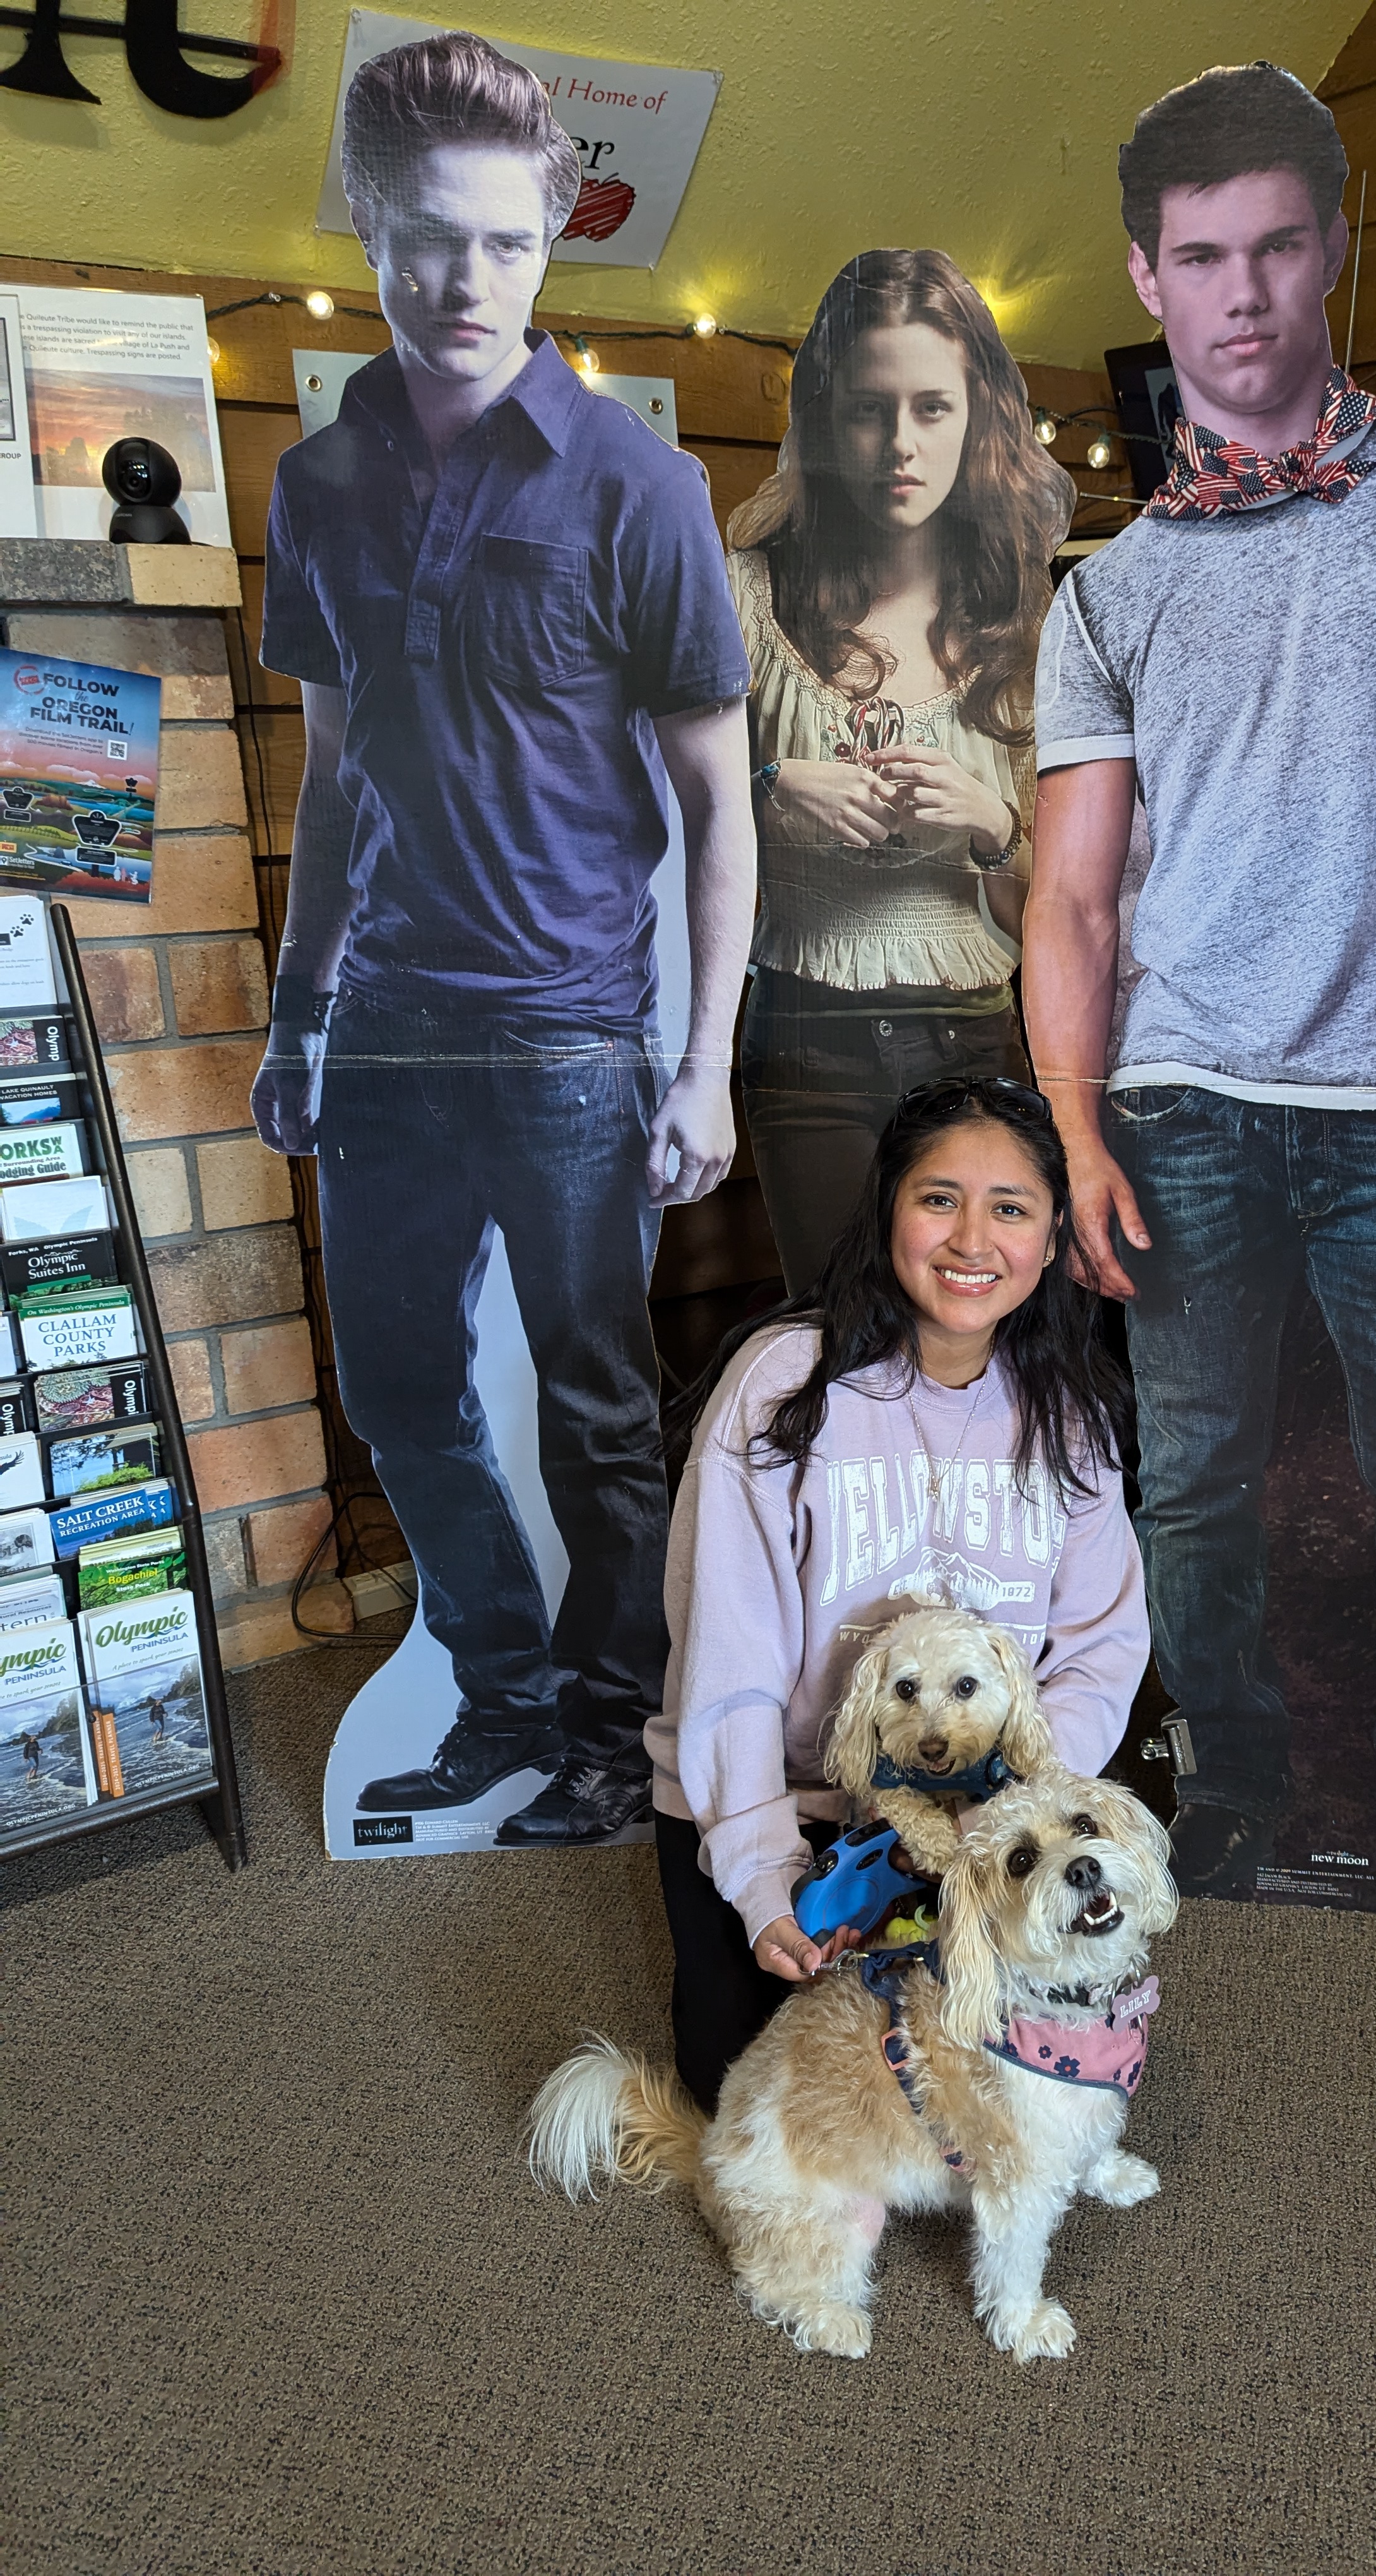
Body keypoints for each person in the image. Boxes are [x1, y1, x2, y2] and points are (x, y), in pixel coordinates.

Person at [1023, 64, 1376, 1905]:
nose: (1247, 291)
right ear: (1149, 277)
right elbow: (1073, 901)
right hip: (1184, 1108)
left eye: (1279, 245)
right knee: (1196, 1490)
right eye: (1205, 257)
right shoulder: (1106, 597)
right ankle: (1247, 1798)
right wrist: (1068, 1124)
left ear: (1336, 249)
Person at [251, 32, 757, 1846]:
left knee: (599, 1413)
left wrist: (701, 1061)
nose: (464, 284)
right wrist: (294, 1012)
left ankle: (615, 1732)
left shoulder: (640, 487)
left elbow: (719, 803)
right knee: (399, 1393)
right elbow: (324, 785)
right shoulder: (317, 492)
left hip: (568, 1037)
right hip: (381, 1029)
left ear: (551, 243)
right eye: (426, 242)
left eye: (506, 245)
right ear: (373, 228)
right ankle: (504, 1692)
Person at [644, 1075, 1148, 2111]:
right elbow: (725, 1659)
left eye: (1011, 1209)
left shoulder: (1072, 1419)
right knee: (746, 2090)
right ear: (889, 1214)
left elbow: (1100, 1648)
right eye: (939, 1199)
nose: (973, 1240)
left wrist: (1015, 1824)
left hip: (985, 1811)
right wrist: (756, 1873)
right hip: (787, 1797)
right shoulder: (785, 1387)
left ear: (1051, 1241)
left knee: (999, 2087)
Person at [725, 250, 1072, 1293]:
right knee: (837, 1337)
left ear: (978, 420)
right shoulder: (745, 595)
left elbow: (1062, 916)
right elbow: (648, 816)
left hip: (975, 1045)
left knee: (973, 1346)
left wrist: (991, 824)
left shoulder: (1032, 623)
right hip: (804, 1038)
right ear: (826, 420)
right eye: (871, 411)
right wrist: (771, 783)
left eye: (932, 408)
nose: (901, 447)